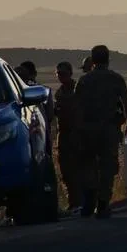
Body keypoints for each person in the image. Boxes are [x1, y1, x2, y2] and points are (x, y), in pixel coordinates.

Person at [73, 45, 127, 219]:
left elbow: (76, 108)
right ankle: (102, 203)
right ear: (108, 59)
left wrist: (78, 130)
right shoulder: (115, 79)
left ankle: (89, 201)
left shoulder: (84, 81)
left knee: (88, 165)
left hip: (88, 129)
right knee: (108, 166)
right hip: (109, 129)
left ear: (93, 60)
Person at [52, 61, 82, 214]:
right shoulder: (58, 93)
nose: (60, 77)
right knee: (66, 171)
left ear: (70, 73)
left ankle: (82, 201)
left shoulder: (79, 90)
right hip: (64, 135)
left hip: (78, 134)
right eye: (58, 74)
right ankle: (73, 201)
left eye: (63, 73)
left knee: (80, 169)